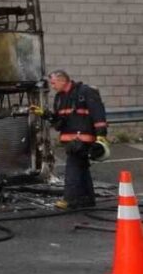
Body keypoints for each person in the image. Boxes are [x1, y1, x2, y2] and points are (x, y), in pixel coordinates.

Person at [30, 70, 109, 210]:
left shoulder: (85, 92)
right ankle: (87, 199)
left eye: (54, 83)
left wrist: (101, 136)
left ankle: (70, 199)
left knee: (72, 169)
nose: (52, 87)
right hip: (70, 141)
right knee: (82, 168)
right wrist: (44, 114)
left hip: (82, 140)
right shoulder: (60, 97)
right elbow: (59, 120)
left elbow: (98, 113)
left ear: (62, 80)